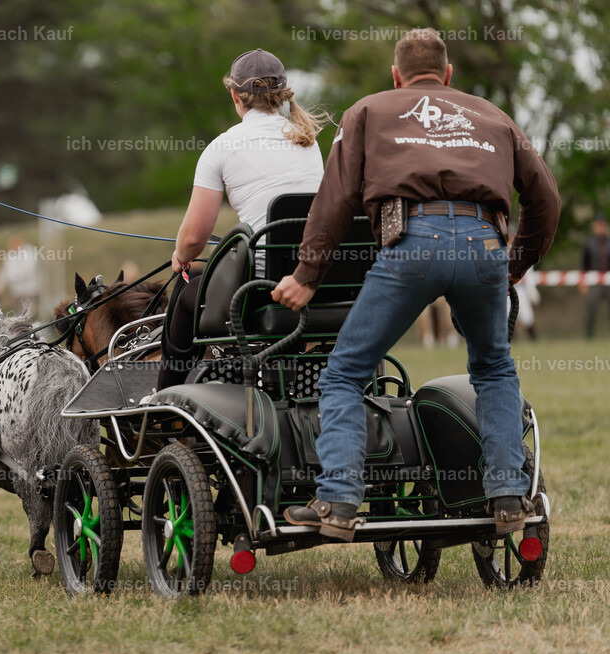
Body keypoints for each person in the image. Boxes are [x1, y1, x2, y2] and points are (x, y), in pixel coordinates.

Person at [272, 29, 560, 539]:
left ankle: (338, 501)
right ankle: (508, 493)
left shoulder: (368, 111)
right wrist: (514, 264)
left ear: (396, 75)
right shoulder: (493, 115)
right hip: (484, 243)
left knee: (344, 372)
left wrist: (306, 274)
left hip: (413, 241)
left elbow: (336, 198)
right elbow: (546, 200)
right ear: (448, 74)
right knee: (493, 369)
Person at [158, 48, 326, 388]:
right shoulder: (309, 141)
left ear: (235, 96)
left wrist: (181, 256)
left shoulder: (221, 148)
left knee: (186, 292)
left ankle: (165, 393)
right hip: (317, 284)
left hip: (259, 290)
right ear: (282, 95)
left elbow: (193, 240)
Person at [579, 213, 610, 339]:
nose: (600, 228)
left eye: (602, 226)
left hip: (608, 281)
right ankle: (589, 337)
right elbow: (584, 264)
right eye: (598, 226)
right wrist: (583, 281)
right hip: (594, 281)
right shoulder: (589, 243)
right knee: (591, 309)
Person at [1, 234, 39, 312]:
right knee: (19, 315)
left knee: (31, 313)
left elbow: (29, 269)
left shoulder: (29, 251)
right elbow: (8, 275)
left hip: (30, 291)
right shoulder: (9, 255)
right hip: (17, 293)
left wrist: (16, 275)